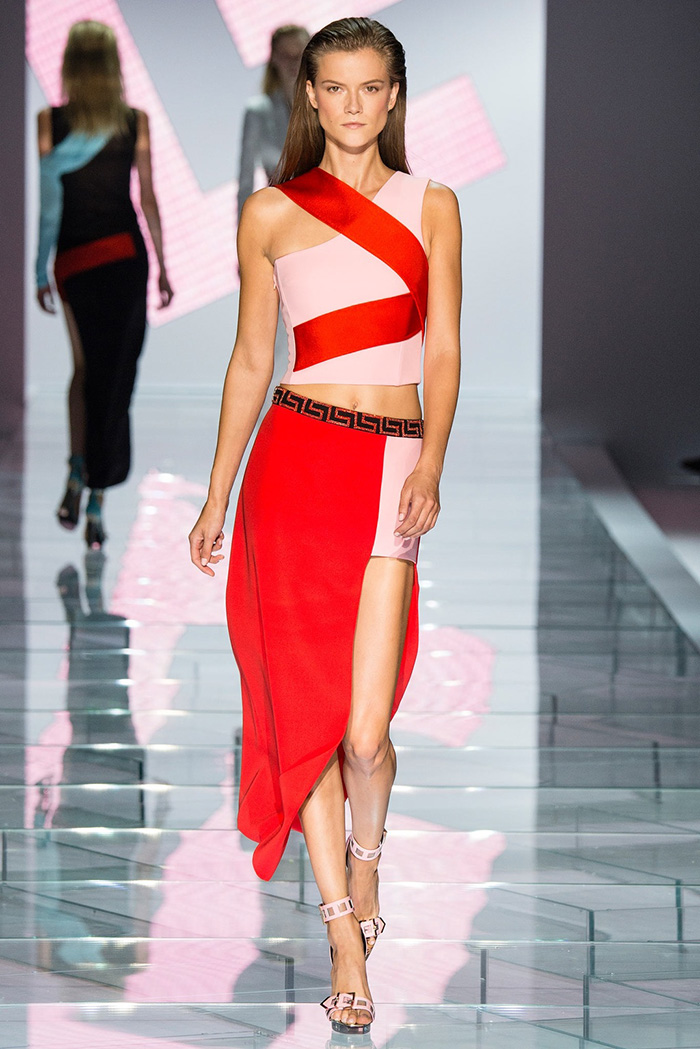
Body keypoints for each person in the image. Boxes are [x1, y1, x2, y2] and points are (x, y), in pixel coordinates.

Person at [189, 16, 461, 1035]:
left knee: (366, 732)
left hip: (390, 467)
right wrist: (218, 492)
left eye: (371, 87)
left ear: (394, 96)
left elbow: (445, 348)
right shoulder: (270, 212)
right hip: (293, 470)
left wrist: (431, 460)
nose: (353, 105)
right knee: (307, 714)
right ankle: (343, 929)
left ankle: (368, 855)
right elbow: (251, 358)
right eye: (335, 87)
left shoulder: (433, 204)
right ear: (309, 95)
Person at [36, 20, 173, 549]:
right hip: (123, 257)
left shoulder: (49, 122)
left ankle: (78, 472)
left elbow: (51, 205)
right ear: (114, 63)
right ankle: (96, 497)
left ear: (71, 63)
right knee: (115, 375)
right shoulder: (134, 122)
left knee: (86, 370)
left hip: (75, 259)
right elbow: (148, 198)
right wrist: (163, 265)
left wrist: (40, 267)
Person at [236, 24, 310, 227]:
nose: (293, 61)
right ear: (274, 58)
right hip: (290, 224)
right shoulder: (257, 113)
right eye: (286, 55)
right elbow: (246, 183)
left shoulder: (332, 103)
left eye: (299, 53)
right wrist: (245, 237)